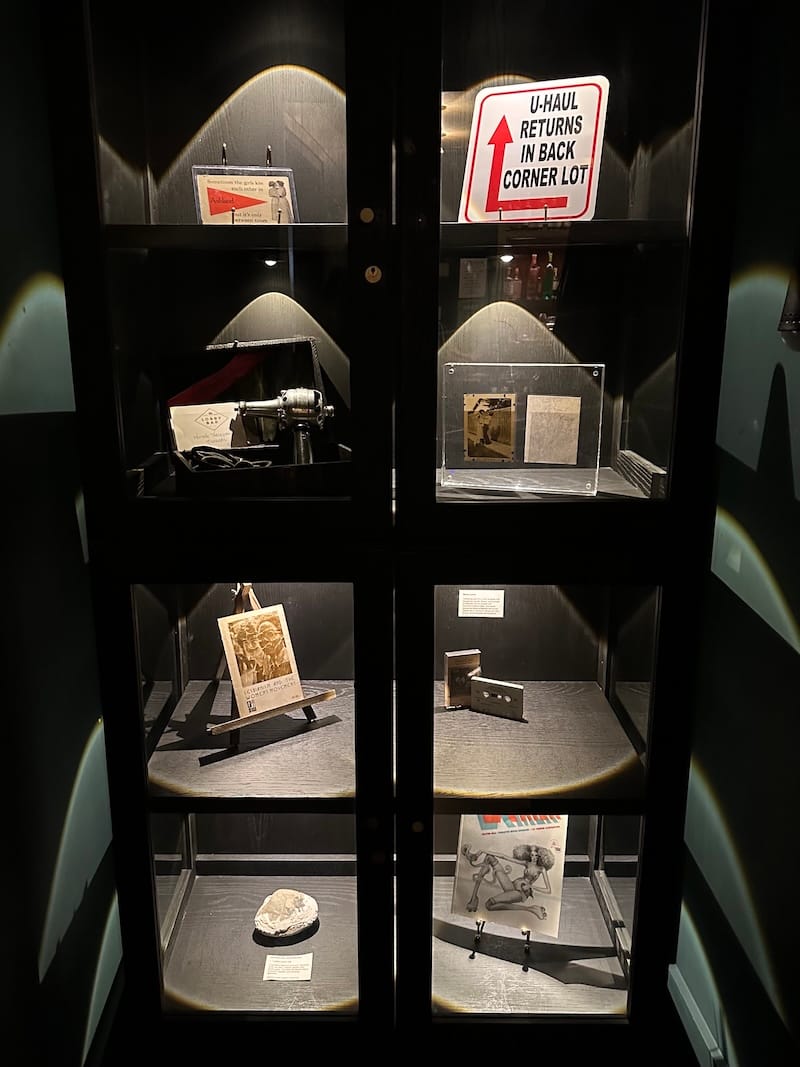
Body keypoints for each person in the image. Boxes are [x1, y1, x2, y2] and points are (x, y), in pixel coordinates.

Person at [462, 842, 555, 920]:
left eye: (536, 855)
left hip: (521, 892)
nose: (534, 858)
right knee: (490, 857)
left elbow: (548, 890)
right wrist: (482, 851)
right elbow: (504, 857)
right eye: (532, 855)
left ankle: (530, 909)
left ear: (540, 857)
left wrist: (531, 886)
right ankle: (473, 898)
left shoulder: (541, 869)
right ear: (529, 856)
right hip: (512, 885)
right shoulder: (527, 863)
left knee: (489, 905)